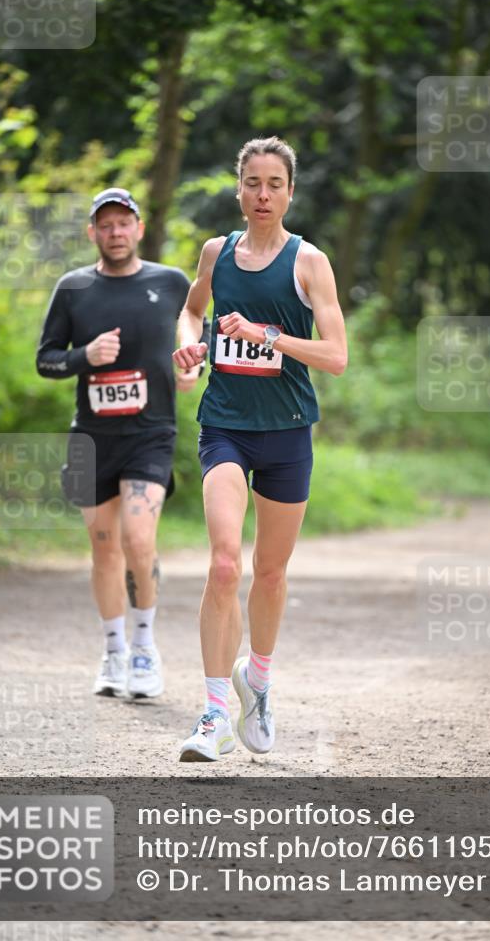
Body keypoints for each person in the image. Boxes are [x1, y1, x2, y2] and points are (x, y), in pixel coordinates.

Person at [173, 136, 347, 762]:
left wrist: (271, 337)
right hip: (225, 425)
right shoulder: (216, 253)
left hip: (288, 431)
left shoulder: (309, 263)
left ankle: (259, 682)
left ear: (290, 191)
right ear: (238, 187)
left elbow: (336, 356)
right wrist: (190, 349)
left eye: (275, 183)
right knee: (224, 563)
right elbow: (191, 314)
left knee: (269, 572)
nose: (263, 194)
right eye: (253, 183)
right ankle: (215, 711)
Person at [37, 187, 207, 697]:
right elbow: (46, 359)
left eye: (123, 223)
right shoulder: (72, 289)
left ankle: (144, 648)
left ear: (137, 227)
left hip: (150, 434)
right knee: (104, 548)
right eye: (105, 225)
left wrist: (192, 364)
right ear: (93, 232)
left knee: (138, 538)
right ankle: (113, 650)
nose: (115, 233)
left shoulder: (171, 282)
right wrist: (84, 355)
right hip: (92, 439)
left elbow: (195, 331)